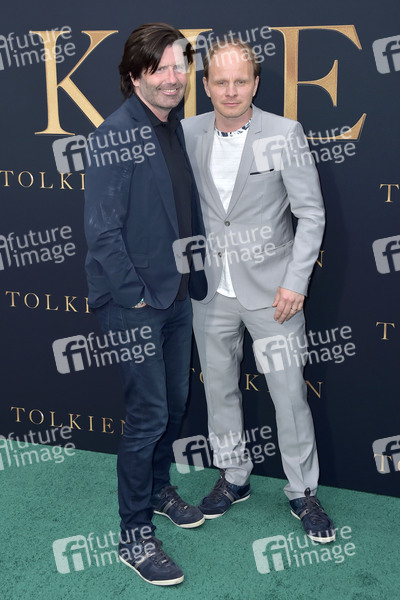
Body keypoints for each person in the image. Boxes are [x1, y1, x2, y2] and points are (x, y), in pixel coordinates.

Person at [182, 39, 335, 543]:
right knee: (218, 389)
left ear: (256, 83)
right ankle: (233, 476)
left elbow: (311, 213)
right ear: (206, 86)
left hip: (275, 295)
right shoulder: (188, 132)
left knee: (288, 396)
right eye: (220, 82)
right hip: (210, 291)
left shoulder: (284, 133)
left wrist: (296, 281)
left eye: (240, 81)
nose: (231, 91)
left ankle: (302, 490)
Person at [84, 23, 207, 586]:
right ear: (135, 76)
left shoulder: (170, 127)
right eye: (160, 68)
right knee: (148, 417)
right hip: (134, 303)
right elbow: (102, 233)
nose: (173, 78)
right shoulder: (115, 134)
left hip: (176, 295)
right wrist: (133, 297)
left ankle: (158, 490)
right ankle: (134, 536)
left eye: (180, 66)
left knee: (175, 404)